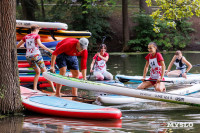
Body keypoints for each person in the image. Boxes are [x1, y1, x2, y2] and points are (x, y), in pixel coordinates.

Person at [17, 25, 56, 92]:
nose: (38, 31)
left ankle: (35, 88)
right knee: (45, 72)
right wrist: (50, 50)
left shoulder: (26, 37)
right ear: (36, 29)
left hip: (28, 57)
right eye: (38, 30)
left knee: (37, 72)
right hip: (36, 55)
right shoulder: (36, 36)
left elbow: (18, 45)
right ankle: (54, 90)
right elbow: (40, 45)